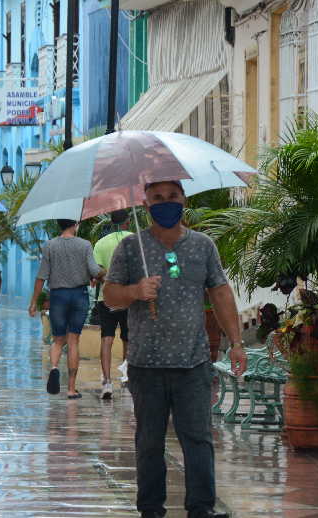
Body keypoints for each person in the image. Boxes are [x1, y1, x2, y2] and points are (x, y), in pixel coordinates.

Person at [103, 181, 247, 518]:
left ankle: (201, 508)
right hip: (145, 364)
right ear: (145, 204)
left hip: (193, 362)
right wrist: (135, 291)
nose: (166, 203)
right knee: (149, 442)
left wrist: (237, 343)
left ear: (184, 200)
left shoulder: (202, 246)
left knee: (197, 438)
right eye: (158, 198)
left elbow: (221, 293)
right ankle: (151, 509)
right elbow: (110, 295)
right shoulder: (129, 248)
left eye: (172, 197)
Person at [29, 219, 103, 399]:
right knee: (73, 342)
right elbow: (94, 270)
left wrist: (33, 302)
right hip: (79, 296)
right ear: (75, 225)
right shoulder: (85, 245)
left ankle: (54, 367)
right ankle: (71, 388)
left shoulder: (50, 246)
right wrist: (103, 273)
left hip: (58, 296)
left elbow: (41, 276)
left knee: (57, 339)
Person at [92, 209, 132, 399]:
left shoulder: (100, 244)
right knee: (127, 337)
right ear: (128, 221)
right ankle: (126, 377)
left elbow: (96, 271)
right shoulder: (134, 240)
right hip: (128, 297)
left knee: (106, 338)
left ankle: (107, 381)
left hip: (106, 297)